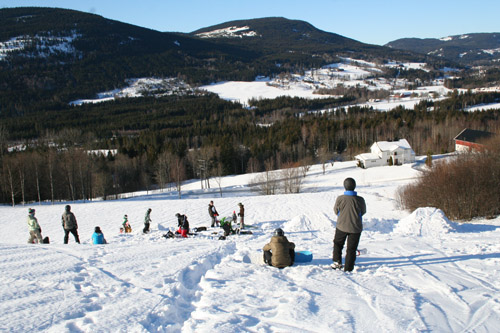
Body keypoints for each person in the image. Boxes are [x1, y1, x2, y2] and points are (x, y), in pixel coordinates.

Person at [332, 177, 366, 272]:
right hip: (355, 228)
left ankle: (337, 262)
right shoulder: (360, 199)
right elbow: (363, 211)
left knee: (338, 244)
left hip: (341, 226)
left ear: (344, 186)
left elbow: (336, 210)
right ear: (354, 186)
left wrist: (342, 216)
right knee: (351, 248)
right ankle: (349, 268)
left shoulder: (340, 198)